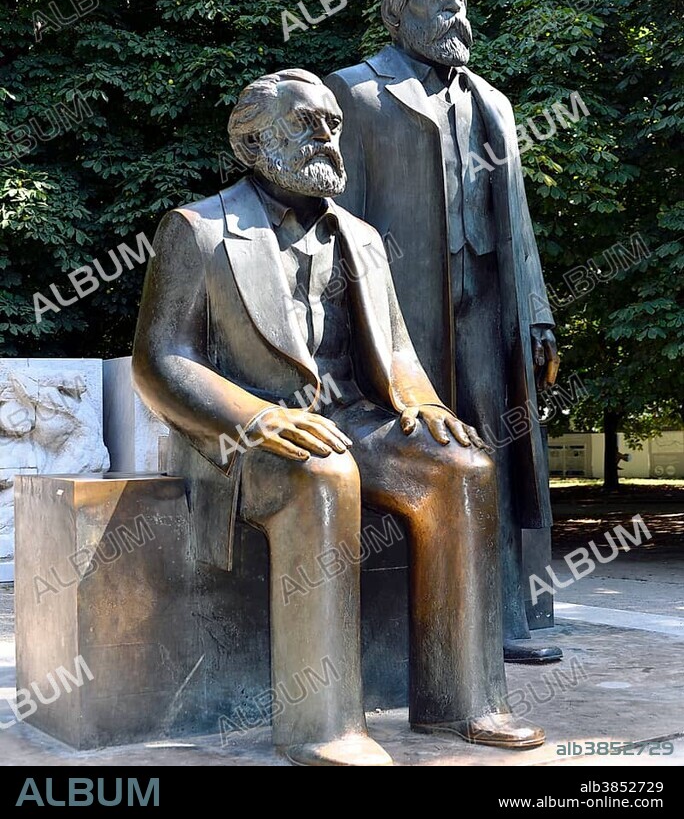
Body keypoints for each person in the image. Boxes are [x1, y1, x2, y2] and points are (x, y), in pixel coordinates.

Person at [132, 68, 545, 766]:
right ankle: (321, 724)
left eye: (332, 123)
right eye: (305, 125)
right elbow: (162, 360)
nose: (327, 136)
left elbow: (399, 355)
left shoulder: (362, 237)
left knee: (462, 469)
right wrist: (258, 418)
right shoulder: (197, 231)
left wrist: (429, 407)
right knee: (323, 475)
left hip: (353, 417)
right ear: (252, 145)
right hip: (243, 434)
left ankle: (464, 701)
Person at [326, 0, 562, 664]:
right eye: (438, 0)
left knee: (494, 450)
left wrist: (539, 312)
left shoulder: (493, 101)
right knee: (420, 456)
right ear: (398, 10)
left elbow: (517, 222)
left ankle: (501, 616)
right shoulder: (356, 93)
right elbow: (337, 219)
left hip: (488, 307)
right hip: (401, 314)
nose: (458, 12)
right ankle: (411, 626)